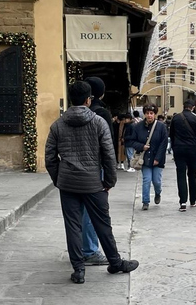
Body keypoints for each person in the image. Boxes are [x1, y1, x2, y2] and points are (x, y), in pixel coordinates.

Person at [45, 81, 138, 284]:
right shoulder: (98, 122)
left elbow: (50, 157)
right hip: (93, 182)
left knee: (73, 226)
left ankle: (79, 270)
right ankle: (115, 262)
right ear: (88, 100)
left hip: (68, 183)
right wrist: (109, 181)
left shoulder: (58, 125)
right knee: (103, 224)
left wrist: (58, 179)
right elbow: (108, 154)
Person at [81, 77, 114, 266]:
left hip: (73, 171)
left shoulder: (71, 114)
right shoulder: (101, 114)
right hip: (95, 168)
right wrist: (109, 178)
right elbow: (107, 148)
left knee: (78, 211)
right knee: (93, 212)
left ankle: (80, 248)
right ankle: (90, 250)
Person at [128, 104, 168, 210]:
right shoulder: (138, 127)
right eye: (147, 113)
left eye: (151, 113)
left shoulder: (161, 127)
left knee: (156, 181)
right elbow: (131, 141)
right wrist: (142, 146)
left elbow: (163, 144)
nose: (149, 115)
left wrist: (158, 158)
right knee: (146, 179)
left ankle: (158, 193)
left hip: (157, 159)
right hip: (144, 159)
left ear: (155, 114)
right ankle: (145, 201)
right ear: (144, 114)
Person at [169, 100, 196, 211]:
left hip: (179, 149)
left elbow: (171, 135)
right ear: (193, 107)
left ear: (184, 106)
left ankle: (182, 202)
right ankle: (193, 200)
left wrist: (174, 148)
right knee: (192, 175)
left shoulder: (176, 118)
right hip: (193, 149)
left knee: (181, 175)